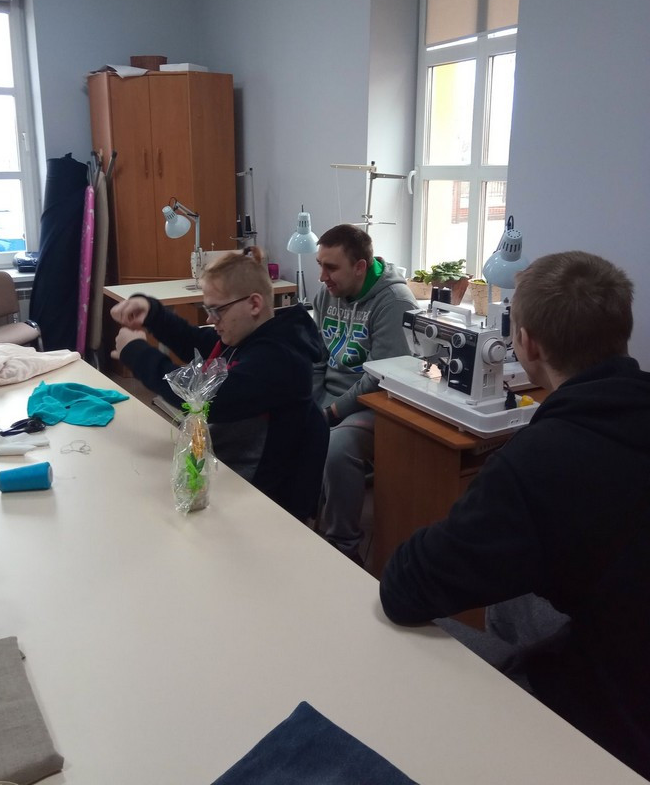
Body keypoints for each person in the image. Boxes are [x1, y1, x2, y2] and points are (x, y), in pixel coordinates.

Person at [380, 251, 650, 778]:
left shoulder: (536, 462)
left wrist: (472, 513)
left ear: (525, 343)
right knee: (511, 599)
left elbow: (403, 588)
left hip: (619, 723)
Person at [111, 248, 328, 521]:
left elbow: (202, 398)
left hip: (262, 502)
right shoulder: (250, 336)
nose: (210, 319)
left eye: (217, 310)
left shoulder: (279, 359)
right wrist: (152, 313)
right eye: (207, 309)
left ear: (254, 304)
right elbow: (196, 342)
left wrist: (136, 353)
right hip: (233, 475)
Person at [312, 224, 418, 561]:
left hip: (375, 405)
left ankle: (343, 548)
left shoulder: (395, 302)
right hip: (330, 400)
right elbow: (315, 358)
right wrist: (311, 405)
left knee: (337, 448)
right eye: (320, 265)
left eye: (331, 268)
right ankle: (300, 522)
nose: (322, 277)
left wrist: (330, 413)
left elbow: (379, 377)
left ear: (360, 267)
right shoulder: (326, 295)